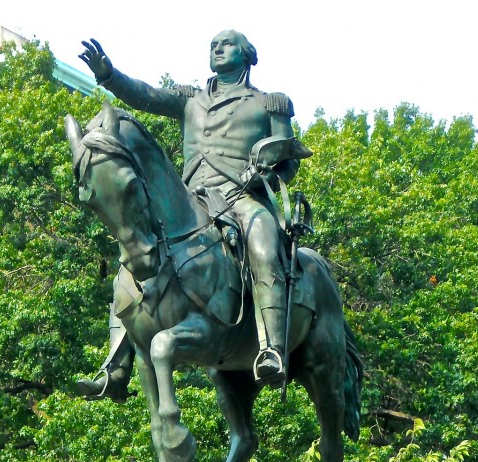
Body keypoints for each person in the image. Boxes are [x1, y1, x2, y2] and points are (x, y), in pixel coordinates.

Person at [76, 30, 308, 395]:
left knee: (263, 247)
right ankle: (116, 367)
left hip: (242, 198)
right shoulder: (190, 100)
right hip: (194, 199)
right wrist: (109, 74)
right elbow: (144, 95)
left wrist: (262, 173)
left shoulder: (269, 103)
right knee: (134, 253)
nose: (217, 48)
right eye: (213, 45)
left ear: (247, 55)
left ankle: (271, 349)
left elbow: (287, 163)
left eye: (227, 44)